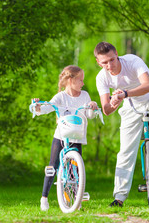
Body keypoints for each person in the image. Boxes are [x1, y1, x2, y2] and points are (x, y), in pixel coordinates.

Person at [94, 42, 149, 207]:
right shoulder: (101, 77)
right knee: (125, 151)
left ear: (117, 54)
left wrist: (124, 94)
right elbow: (107, 110)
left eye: (111, 59)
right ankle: (119, 197)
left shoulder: (132, 61)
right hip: (131, 106)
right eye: (104, 62)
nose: (109, 65)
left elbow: (148, 85)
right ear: (98, 63)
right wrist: (114, 100)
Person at [32, 65, 98, 211]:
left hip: (78, 137)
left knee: (76, 170)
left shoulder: (85, 96)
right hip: (61, 136)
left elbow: (89, 115)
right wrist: (37, 106)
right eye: (80, 80)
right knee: (53, 166)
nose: (83, 83)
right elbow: (45, 108)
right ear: (70, 80)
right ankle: (44, 198)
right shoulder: (61, 97)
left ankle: (76, 199)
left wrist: (92, 106)